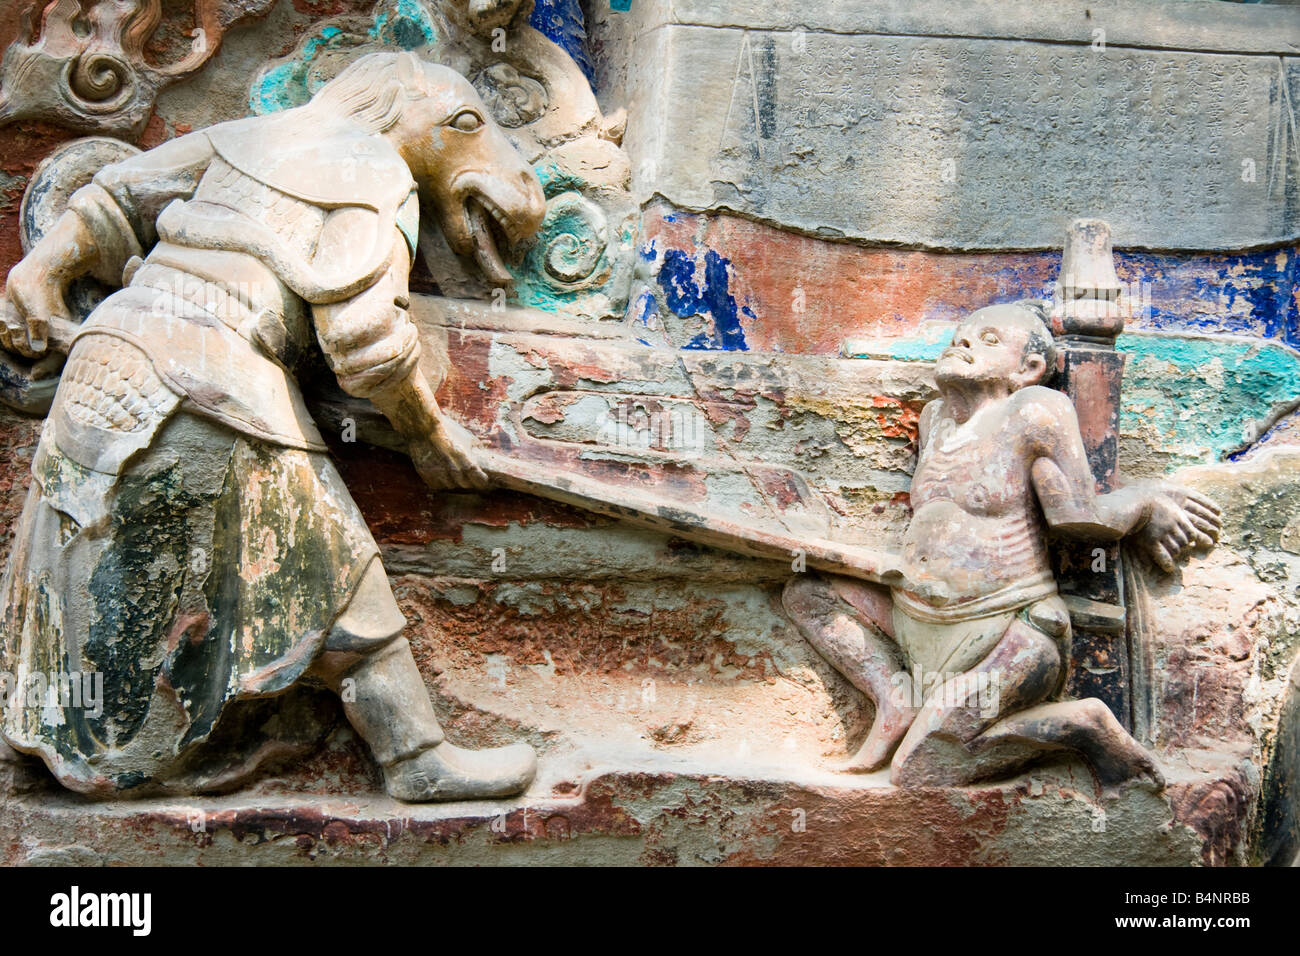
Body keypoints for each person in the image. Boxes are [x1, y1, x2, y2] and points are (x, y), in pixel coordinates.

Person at [0, 52, 547, 801]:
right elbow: (367, 344)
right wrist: (428, 436)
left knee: (77, 552)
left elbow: (115, 198)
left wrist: (38, 272)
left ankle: (51, 743)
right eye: (460, 127)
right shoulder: (377, 173)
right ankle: (416, 758)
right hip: (210, 382)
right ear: (405, 117)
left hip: (106, 358)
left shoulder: (249, 136)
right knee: (339, 568)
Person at [783, 301, 1222, 788]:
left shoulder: (1034, 410)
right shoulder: (936, 420)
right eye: (962, 335)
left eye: (989, 339)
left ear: (1028, 368)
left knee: (923, 769)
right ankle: (895, 696)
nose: (964, 342)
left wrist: (1143, 503)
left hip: (1007, 631)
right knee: (807, 592)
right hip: (916, 619)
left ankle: (1081, 726)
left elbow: (1078, 515)